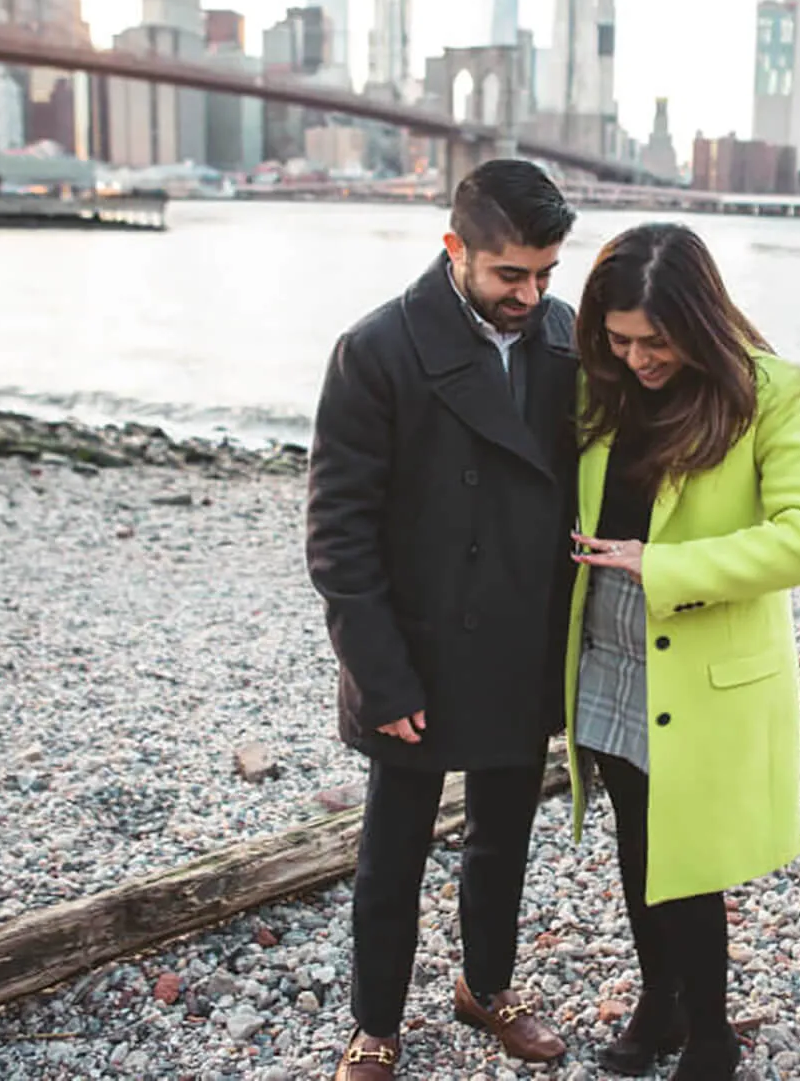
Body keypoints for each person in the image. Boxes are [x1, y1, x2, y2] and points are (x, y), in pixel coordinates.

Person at [305, 160, 581, 1080]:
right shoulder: (377, 350)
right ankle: (375, 1025)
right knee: (393, 854)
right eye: (511, 274)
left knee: (504, 839)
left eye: (546, 272)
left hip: (520, 639)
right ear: (455, 248)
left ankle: (486, 988)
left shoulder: (562, 339)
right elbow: (338, 535)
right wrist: (379, 673)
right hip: (415, 650)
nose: (531, 294)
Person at [565, 223, 800, 1079]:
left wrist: (668, 566)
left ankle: (712, 1032)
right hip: (606, 642)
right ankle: (660, 999)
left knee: (685, 853)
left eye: (656, 339)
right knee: (636, 836)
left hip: (696, 650)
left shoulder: (767, 393)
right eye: (620, 338)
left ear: (699, 317)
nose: (638, 356)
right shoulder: (599, 384)